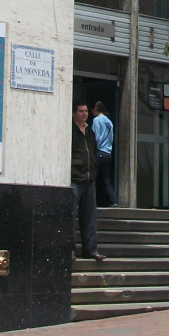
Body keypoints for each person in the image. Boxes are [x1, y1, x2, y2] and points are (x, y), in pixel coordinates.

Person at [71, 101, 104, 261]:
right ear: (73, 114)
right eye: (81, 111)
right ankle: (70, 249)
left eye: (85, 111)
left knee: (90, 216)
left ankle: (91, 250)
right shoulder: (70, 131)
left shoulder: (90, 132)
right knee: (70, 214)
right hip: (75, 177)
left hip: (90, 178)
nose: (84, 114)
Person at [91, 100, 116, 206]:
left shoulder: (97, 120)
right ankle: (113, 201)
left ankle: (90, 202)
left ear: (95, 109)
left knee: (92, 178)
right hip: (108, 153)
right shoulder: (109, 122)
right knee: (106, 180)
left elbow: (95, 137)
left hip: (99, 152)